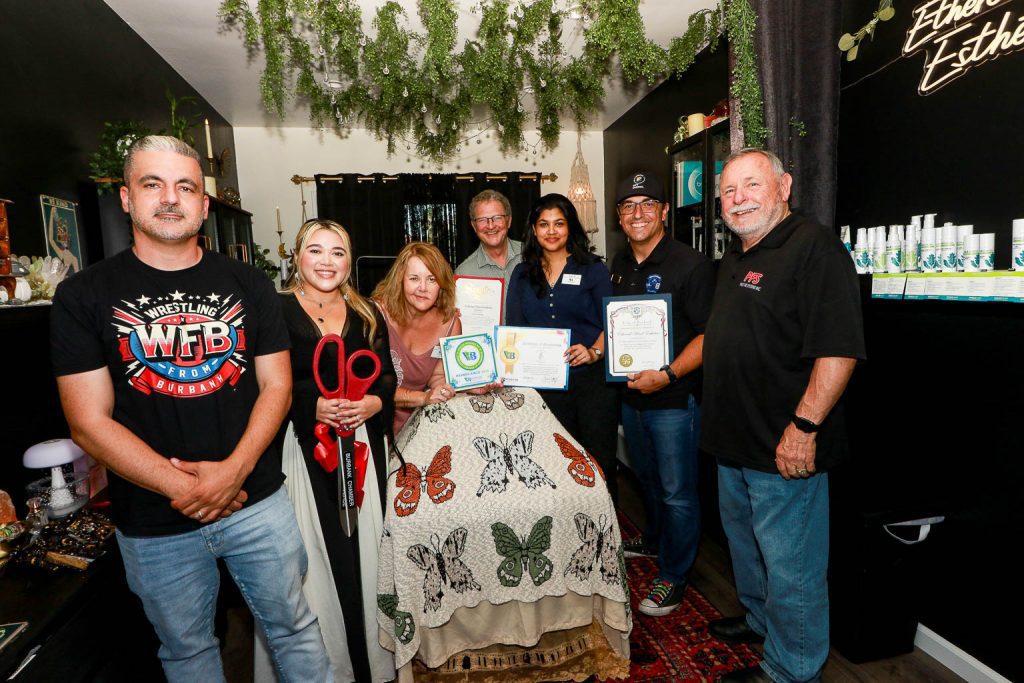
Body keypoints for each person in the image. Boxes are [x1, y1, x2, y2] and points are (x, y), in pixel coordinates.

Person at [50, 135, 332, 682]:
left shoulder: (249, 283)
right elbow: (87, 421)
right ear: (127, 198)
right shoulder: (83, 295)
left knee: (295, 629)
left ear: (203, 205)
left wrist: (232, 474)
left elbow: (276, 386)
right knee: (187, 653)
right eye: (152, 184)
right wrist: (188, 488)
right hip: (154, 519)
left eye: (184, 187)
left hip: (255, 501)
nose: (169, 198)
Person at [701, 148, 865, 683]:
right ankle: (759, 621)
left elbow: (838, 349)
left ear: (784, 186)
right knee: (747, 550)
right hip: (733, 444)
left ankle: (791, 670)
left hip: (782, 449)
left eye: (752, 185)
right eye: (729, 191)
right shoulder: (737, 255)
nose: (739, 199)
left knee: (792, 567)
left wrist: (804, 429)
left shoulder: (814, 247)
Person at [269, 218, 397, 682]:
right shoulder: (275, 309)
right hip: (304, 450)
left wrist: (373, 402)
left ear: (349, 261)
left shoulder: (368, 312)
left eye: (337, 252)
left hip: (361, 444)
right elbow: (265, 383)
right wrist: (312, 405)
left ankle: (374, 663)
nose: (327, 262)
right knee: (316, 558)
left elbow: (386, 375)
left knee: (365, 553)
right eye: (316, 251)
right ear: (297, 257)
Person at [609, 171, 715, 617]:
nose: (638, 214)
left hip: (673, 401)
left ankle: (674, 574)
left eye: (648, 204)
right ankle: (654, 541)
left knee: (677, 493)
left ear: (665, 211)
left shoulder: (690, 264)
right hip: (632, 399)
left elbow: (709, 337)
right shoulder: (618, 263)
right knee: (648, 480)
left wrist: (668, 375)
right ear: (619, 216)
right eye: (629, 206)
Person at [505, 193, 618, 500]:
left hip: (592, 384)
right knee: (554, 463)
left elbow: (613, 321)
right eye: (544, 224)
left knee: (598, 461)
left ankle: (605, 525)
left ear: (570, 228)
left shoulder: (593, 269)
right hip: (544, 388)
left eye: (559, 223)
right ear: (534, 229)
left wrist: (594, 351)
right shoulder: (522, 274)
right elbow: (514, 330)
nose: (551, 231)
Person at [373, 242, 461, 435]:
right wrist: (423, 397)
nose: (423, 288)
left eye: (432, 279)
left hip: (416, 432)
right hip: (374, 430)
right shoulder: (375, 316)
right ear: (400, 280)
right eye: (414, 278)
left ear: (442, 284)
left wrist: (470, 383)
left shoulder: (450, 323)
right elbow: (373, 389)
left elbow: (438, 377)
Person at [455, 189, 523, 321]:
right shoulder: (464, 274)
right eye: (482, 220)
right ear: (474, 226)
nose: (491, 226)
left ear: (509, 221)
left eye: (497, 218)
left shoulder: (534, 255)